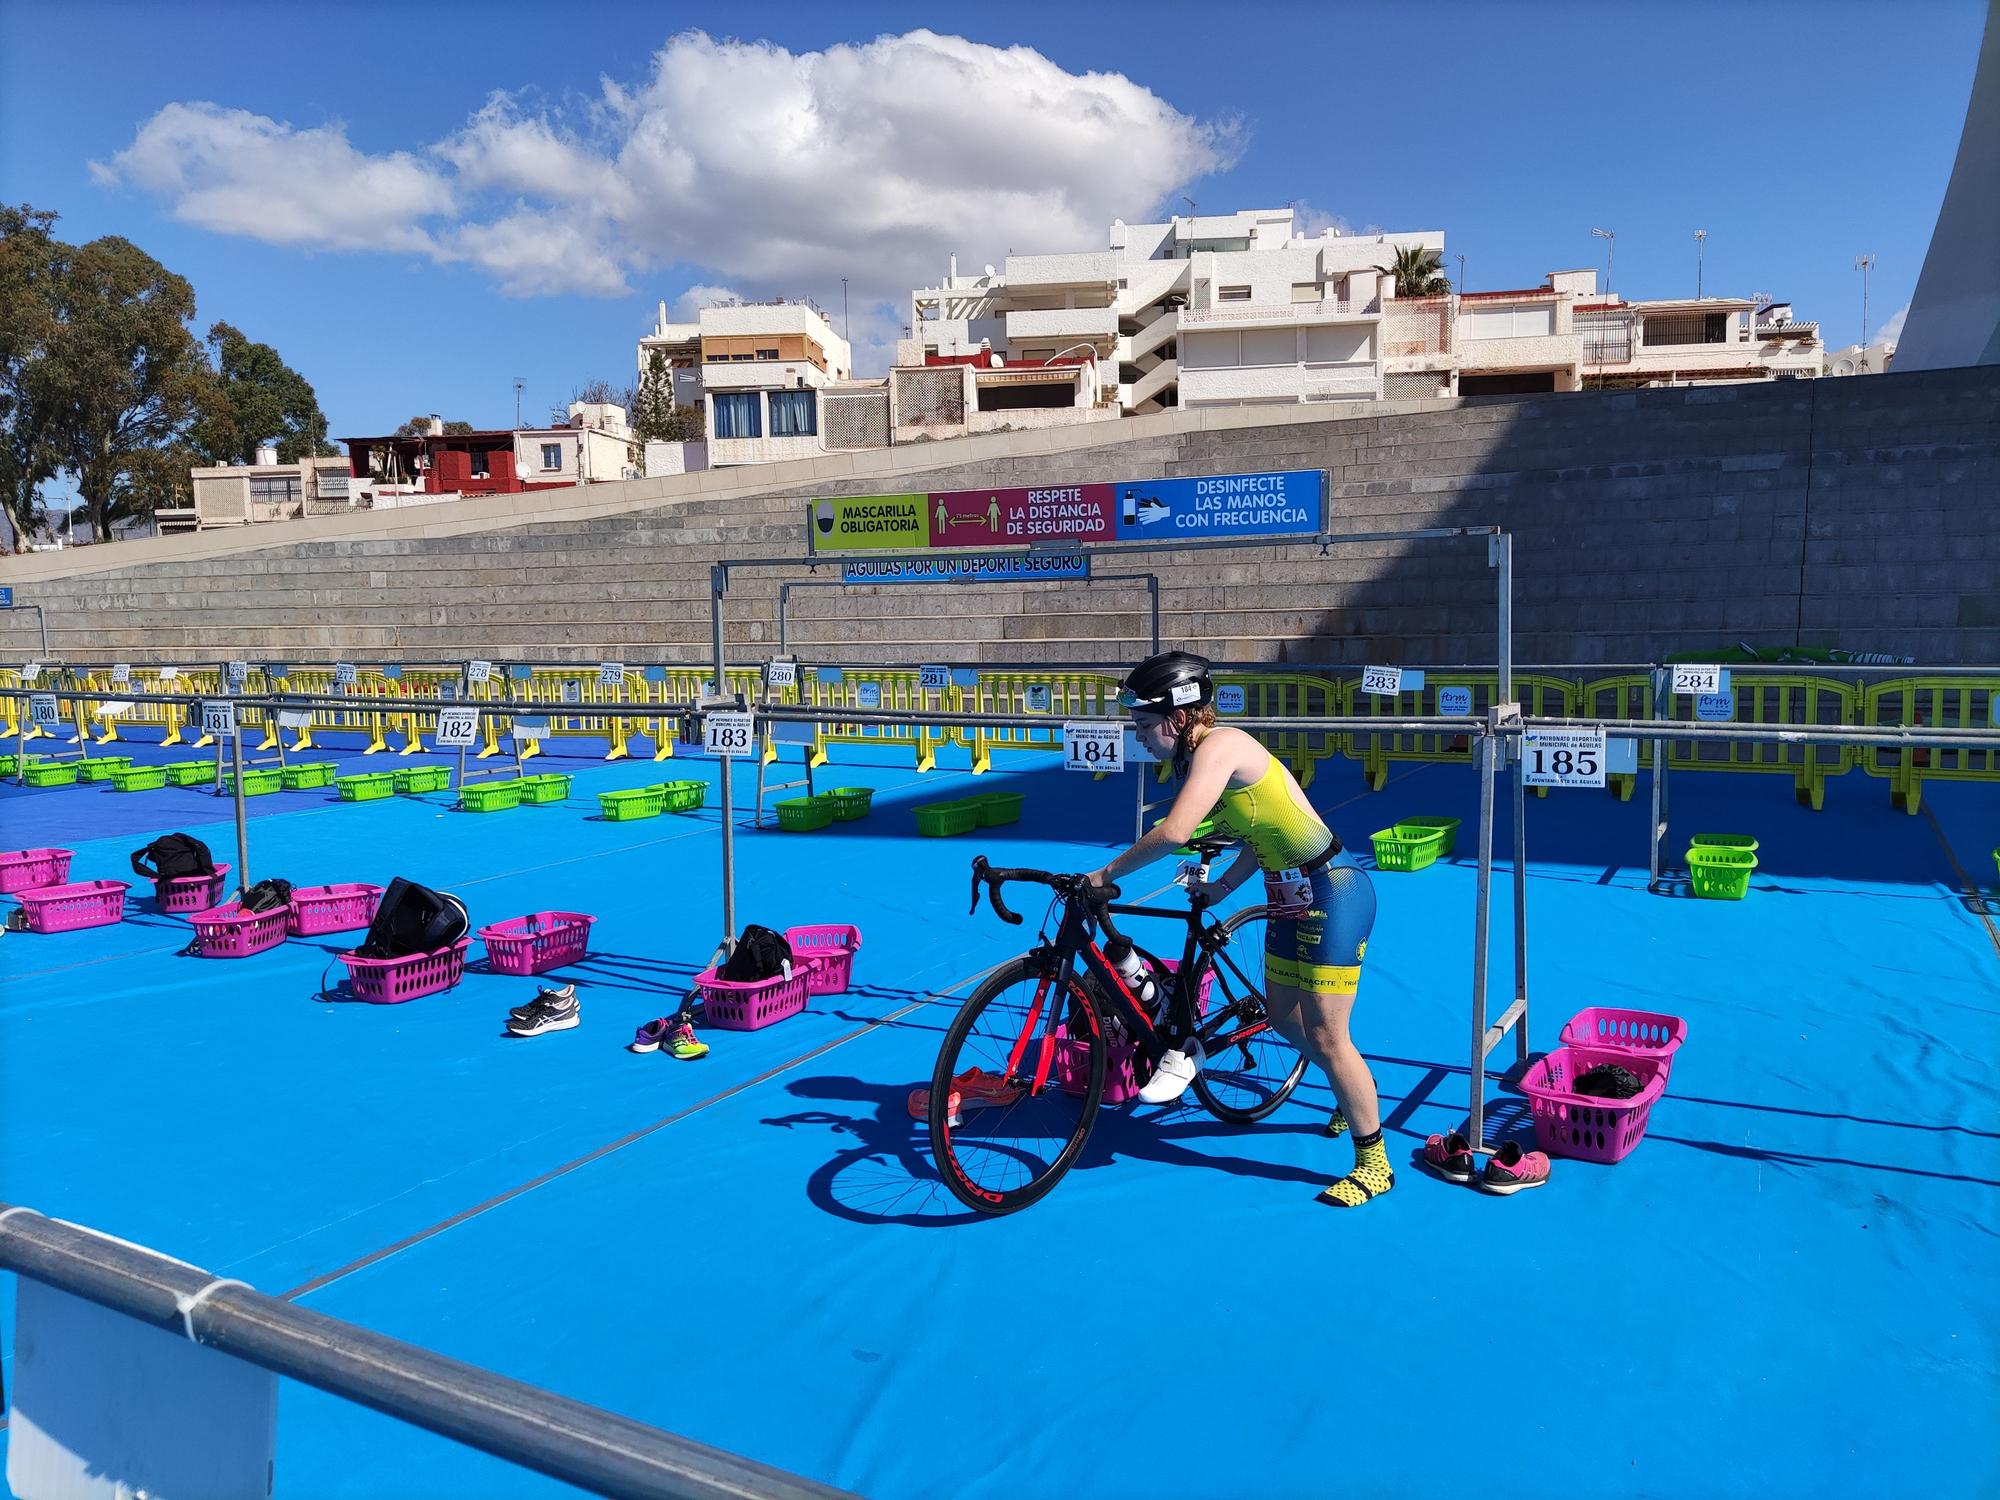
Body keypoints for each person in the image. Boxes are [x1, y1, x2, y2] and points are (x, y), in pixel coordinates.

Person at [1086, 651, 1391, 1209]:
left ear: (1179, 718)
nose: (1141, 739)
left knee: (1326, 1034)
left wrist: (1106, 872)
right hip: (1287, 893)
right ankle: (1352, 1091)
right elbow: (1257, 832)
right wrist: (1224, 888)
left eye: (1145, 726)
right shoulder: (1206, 756)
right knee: (1282, 1018)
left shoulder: (1221, 746)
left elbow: (1177, 829)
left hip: (1334, 890)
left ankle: (1374, 1161)